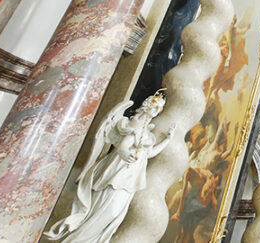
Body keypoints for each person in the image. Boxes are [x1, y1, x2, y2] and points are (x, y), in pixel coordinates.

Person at [46, 93, 175, 242]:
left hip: (130, 179)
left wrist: (167, 140)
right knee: (105, 211)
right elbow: (123, 146)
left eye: (160, 108)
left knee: (114, 215)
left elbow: (149, 153)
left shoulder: (147, 133)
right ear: (147, 104)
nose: (157, 110)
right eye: (156, 106)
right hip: (117, 173)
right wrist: (125, 154)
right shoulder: (134, 125)